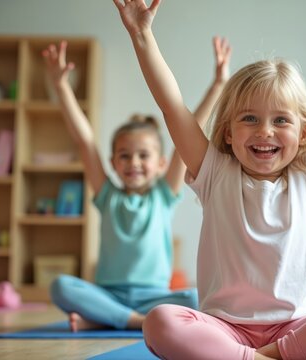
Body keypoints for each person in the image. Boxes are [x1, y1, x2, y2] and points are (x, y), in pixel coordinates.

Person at [114, 0, 306, 358]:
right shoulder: (213, 171)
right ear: (227, 133)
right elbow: (172, 106)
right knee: (160, 322)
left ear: (304, 133)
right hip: (224, 327)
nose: (265, 132)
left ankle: (265, 356)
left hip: (297, 324)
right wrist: (141, 34)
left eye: (281, 121)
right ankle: (288, 356)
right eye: (249, 119)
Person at [42, 36, 232, 332]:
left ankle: (102, 320)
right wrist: (61, 86)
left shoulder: (164, 194)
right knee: (60, 286)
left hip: (154, 297)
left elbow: (188, 130)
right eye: (124, 156)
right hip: (109, 293)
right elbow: (85, 140)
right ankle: (133, 322)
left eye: (143, 156)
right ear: (113, 162)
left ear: (160, 164)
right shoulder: (107, 196)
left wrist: (218, 85)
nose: (133, 163)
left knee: (198, 296)